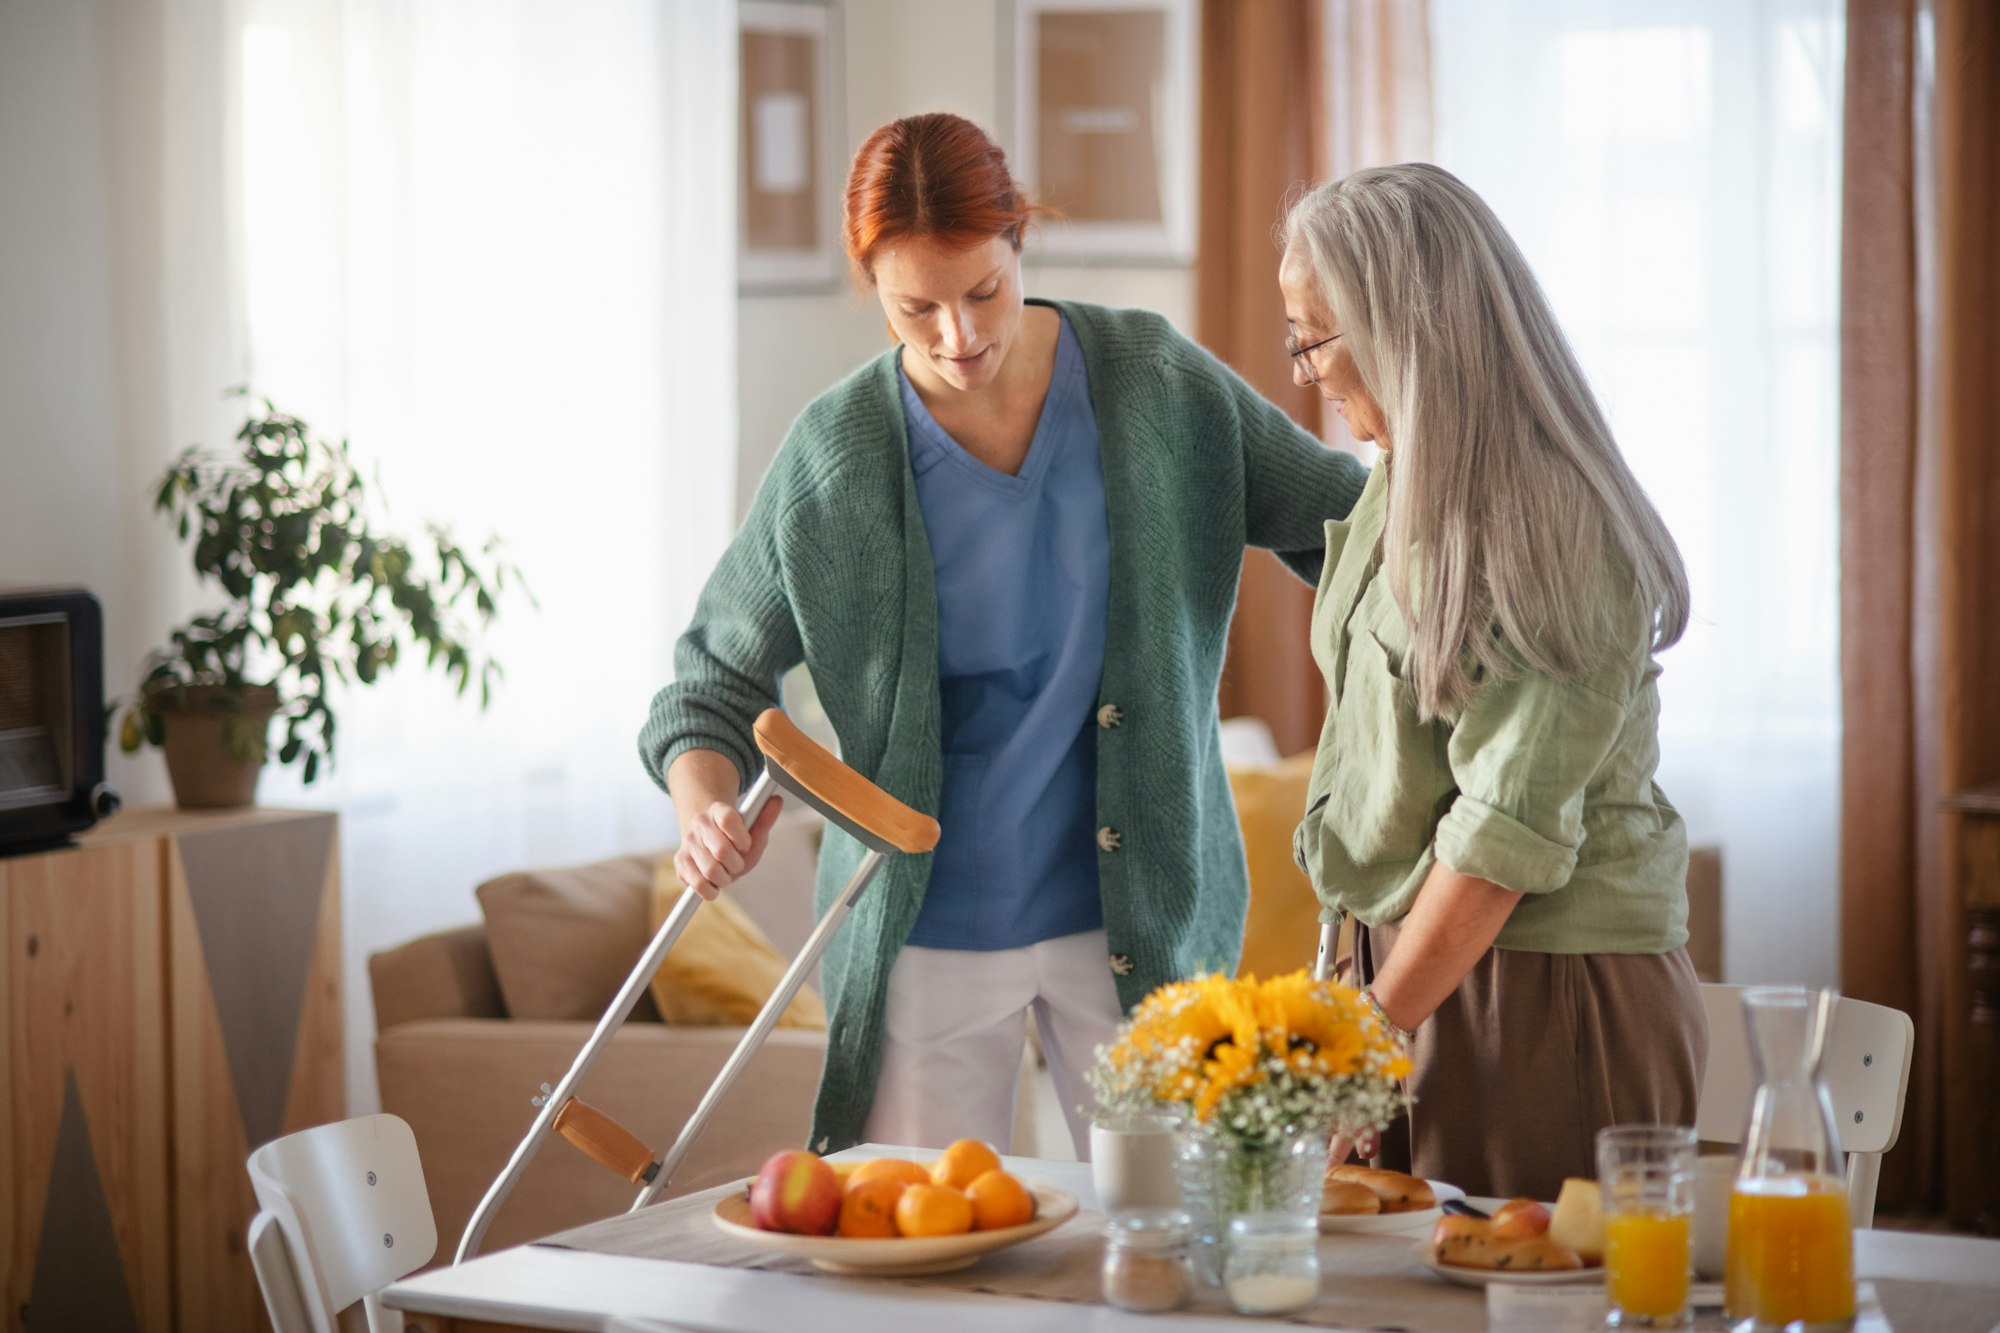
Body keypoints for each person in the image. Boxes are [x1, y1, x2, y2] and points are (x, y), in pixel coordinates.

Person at [639, 113, 1369, 1158]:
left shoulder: (1153, 383)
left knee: (1169, 1260)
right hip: (924, 935)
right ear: (871, 291)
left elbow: (1346, 522)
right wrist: (704, 808)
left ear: (1018, 240)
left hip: (1140, 920)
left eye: (981, 291)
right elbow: (705, 684)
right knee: (928, 1267)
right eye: (914, 309)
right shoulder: (835, 457)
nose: (956, 336)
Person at [1280, 163, 1708, 1200]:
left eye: (1311, 336)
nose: (1302, 372)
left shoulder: (1553, 527)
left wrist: (1375, 1024)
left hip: (1542, 992)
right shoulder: (1397, 479)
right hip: (1413, 975)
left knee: (1529, 1304)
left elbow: (1499, 835)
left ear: (1400, 329)